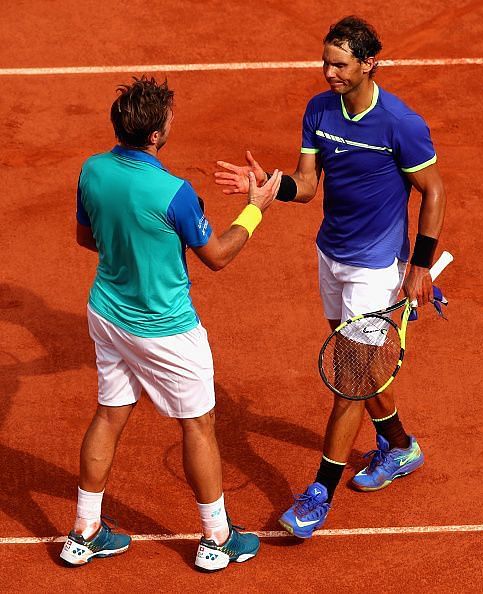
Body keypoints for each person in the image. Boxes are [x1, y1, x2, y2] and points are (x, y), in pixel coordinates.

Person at [214, 15, 446, 538]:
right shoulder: (318, 111)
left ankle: (318, 493)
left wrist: (421, 266)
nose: (328, 72)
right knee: (360, 369)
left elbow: (434, 192)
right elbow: (308, 184)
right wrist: (272, 185)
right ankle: (401, 446)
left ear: (369, 63)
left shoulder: (400, 124)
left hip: (378, 266)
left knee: (348, 383)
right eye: (325, 62)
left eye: (339, 64)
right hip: (332, 257)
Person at [60, 76, 282, 569]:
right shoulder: (175, 193)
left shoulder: (92, 170)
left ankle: (84, 531)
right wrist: (255, 209)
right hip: (166, 330)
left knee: (110, 413)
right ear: (156, 136)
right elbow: (217, 256)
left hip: (107, 314)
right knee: (199, 426)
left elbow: (86, 237)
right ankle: (217, 539)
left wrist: (133, 249)